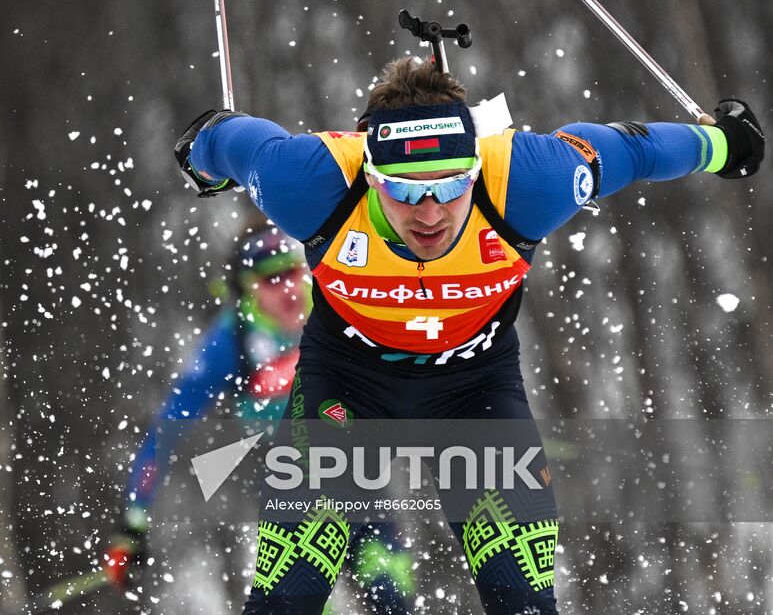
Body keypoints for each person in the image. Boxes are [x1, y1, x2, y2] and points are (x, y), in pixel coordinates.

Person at [174, 56, 764, 615]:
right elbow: (231, 141)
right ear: (371, 174)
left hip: (473, 393)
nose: (429, 212)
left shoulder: (529, 179)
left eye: (451, 185)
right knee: (287, 602)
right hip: (346, 393)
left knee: (524, 603)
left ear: (477, 166)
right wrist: (203, 149)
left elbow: (634, 151)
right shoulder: (312, 182)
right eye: (404, 189)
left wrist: (721, 145)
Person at [102, 220, 416, 614]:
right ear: (245, 291)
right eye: (270, 280)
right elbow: (164, 434)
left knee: (389, 595)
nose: (288, 290)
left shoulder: (335, 302)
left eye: (292, 272)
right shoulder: (230, 342)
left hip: (363, 481)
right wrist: (132, 525)